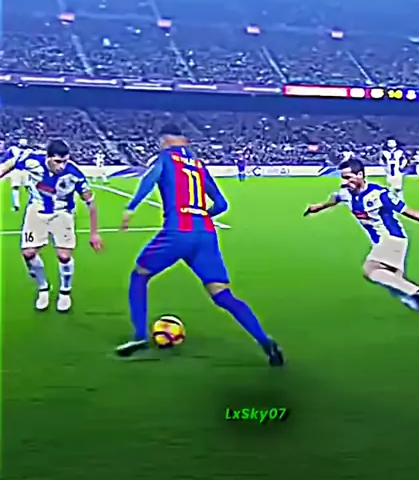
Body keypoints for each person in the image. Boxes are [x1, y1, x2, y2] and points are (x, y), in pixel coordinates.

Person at [116, 124, 283, 364]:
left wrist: (130, 208)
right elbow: (222, 204)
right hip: (205, 232)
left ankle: (140, 336)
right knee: (222, 294)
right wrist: (201, 217)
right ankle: (264, 340)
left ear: (165, 140)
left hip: (177, 231)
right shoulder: (198, 164)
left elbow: (149, 179)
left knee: (139, 275)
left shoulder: (165, 158)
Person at [304, 157, 419, 332]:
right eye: (343, 178)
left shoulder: (379, 194)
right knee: (396, 289)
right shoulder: (345, 193)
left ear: (360, 175)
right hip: (385, 243)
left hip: (392, 239)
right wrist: (317, 207)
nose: (344, 182)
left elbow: (409, 211)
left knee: (370, 269)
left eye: (348, 177)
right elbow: (335, 198)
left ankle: (415, 290)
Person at [0, 138, 103, 312]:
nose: (62, 166)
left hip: (62, 213)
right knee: (28, 253)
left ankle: (65, 291)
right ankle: (43, 288)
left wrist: (94, 233)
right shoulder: (33, 161)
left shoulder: (74, 174)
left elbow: (90, 202)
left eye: (65, 161)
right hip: (37, 210)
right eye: (57, 161)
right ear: (48, 157)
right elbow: (11, 162)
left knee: (64, 256)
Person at [0, 137, 29, 211]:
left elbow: (5, 158)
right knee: (21, 187)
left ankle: (18, 205)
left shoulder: (15, 149)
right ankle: (19, 205)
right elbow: (6, 158)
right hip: (21, 170)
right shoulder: (26, 151)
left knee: (20, 187)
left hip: (21, 170)